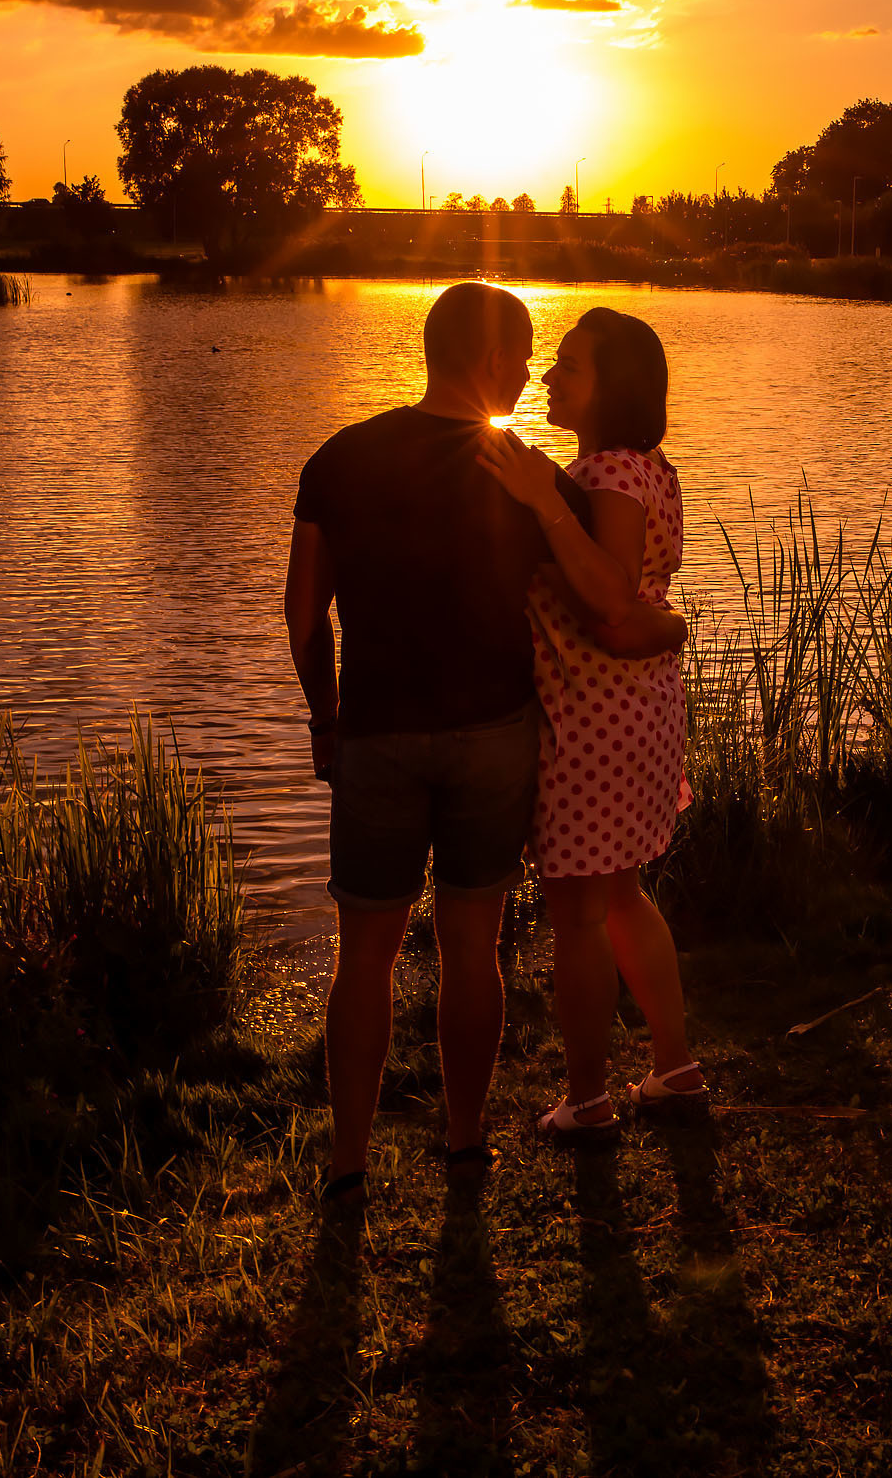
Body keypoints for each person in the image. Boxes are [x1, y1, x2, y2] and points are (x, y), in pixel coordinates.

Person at [284, 283, 684, 1207]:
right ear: (499, 364)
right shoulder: (524, 472)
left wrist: (324, 716)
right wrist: (672, 630)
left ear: (433, 350)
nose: (535, 370)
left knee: (366, 955)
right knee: (473, 948)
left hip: (376, 736)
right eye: (529, 354)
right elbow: (608, 598)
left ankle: (350, 1161)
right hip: (495, 739)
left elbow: (305, 612)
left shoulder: (338, 460)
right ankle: (465, 1144)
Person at [476, 307, 702, 1142]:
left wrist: (540, 499)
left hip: (592, 713)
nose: (549, 377)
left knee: (575, 914)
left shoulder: (604, 475)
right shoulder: (649, 467)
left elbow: (608, 599)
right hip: (641, 704)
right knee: (621, 896)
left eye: (570, 366)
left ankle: (590, 1098)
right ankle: (675, 1068)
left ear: (614, 388)